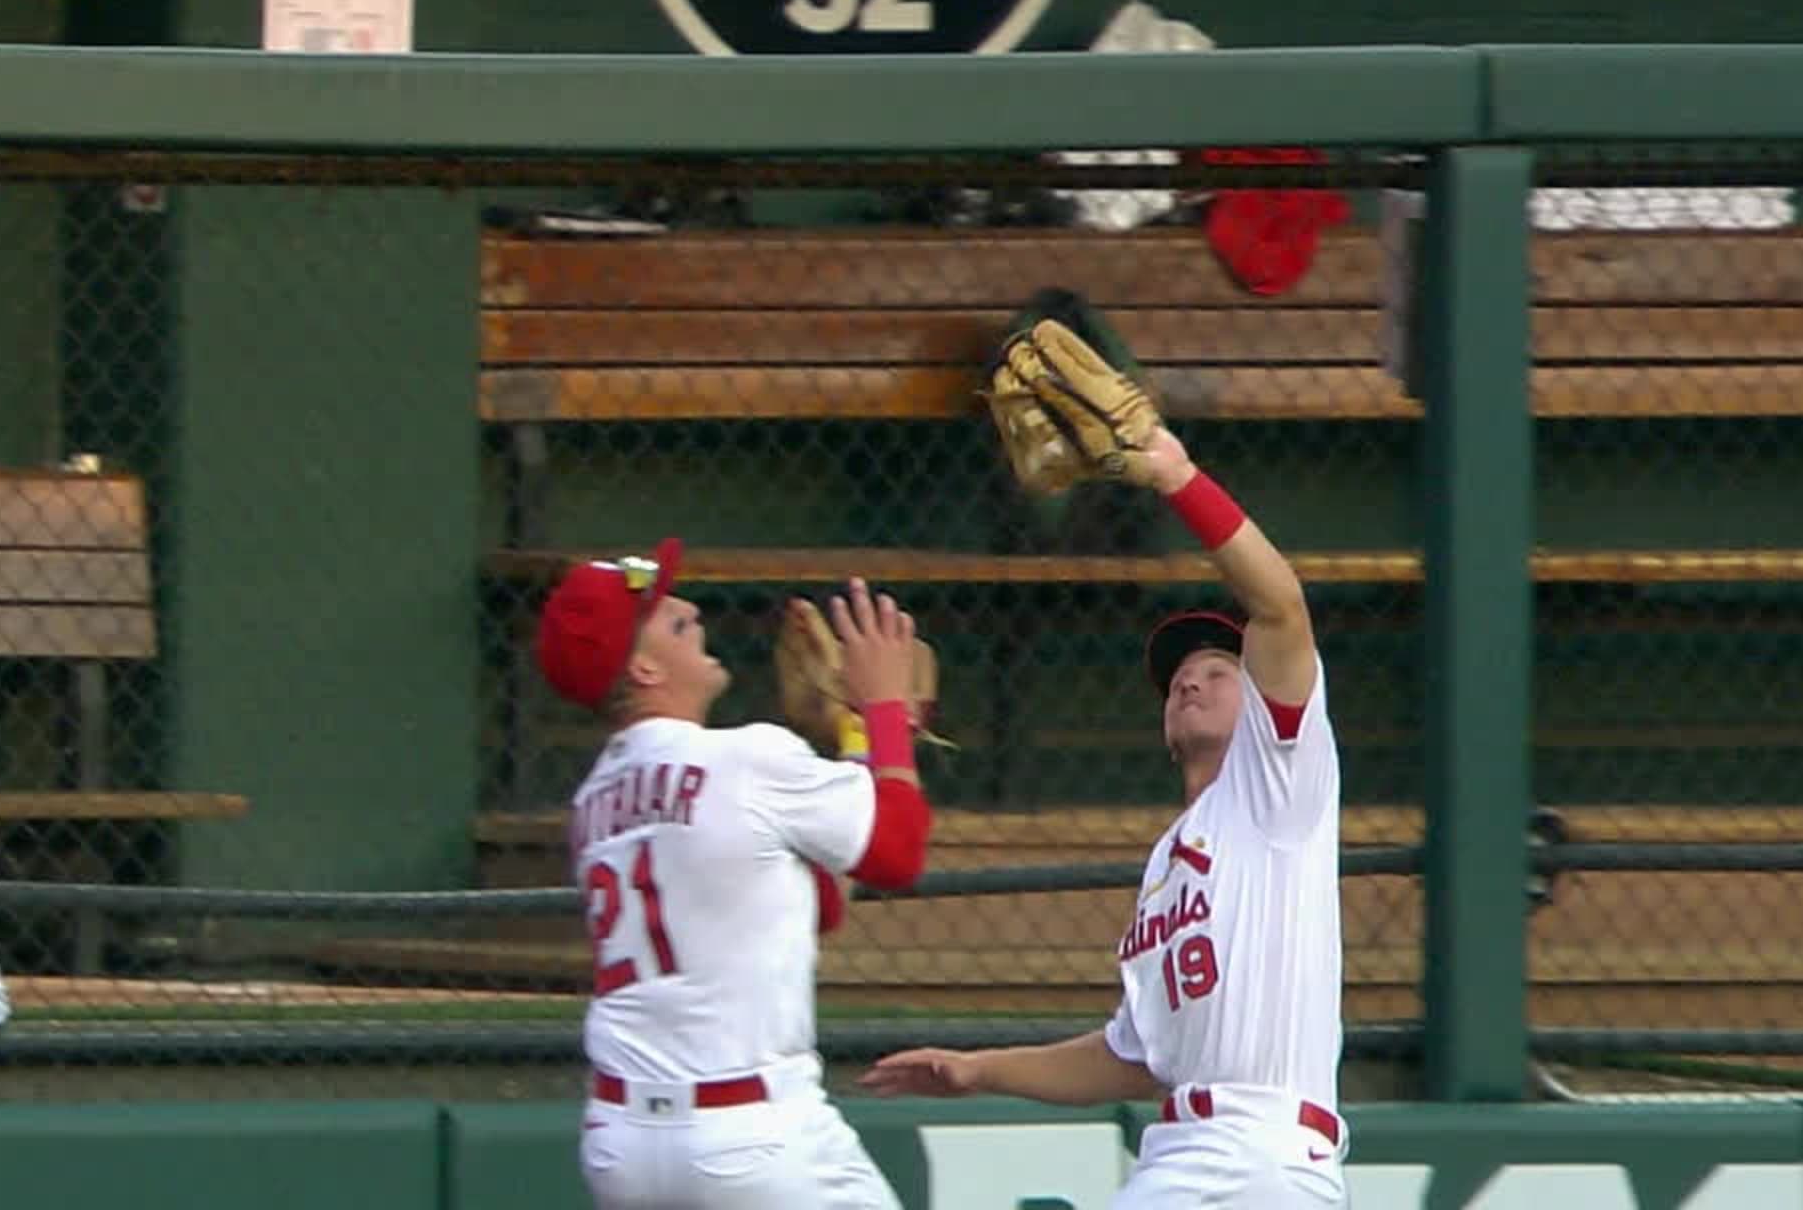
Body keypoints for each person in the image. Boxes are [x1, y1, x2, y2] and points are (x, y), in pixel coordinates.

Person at [861, 428, 1347, 1209]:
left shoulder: (1279, 784)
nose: (1191, 683)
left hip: (1257, 1151)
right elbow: (1134, 1058)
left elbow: (1280, 604)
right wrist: (980, 1071)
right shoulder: (1166, 865)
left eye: (1219, 672)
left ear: (1259, 701)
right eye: (1180, 679)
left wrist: (1178, 477)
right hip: (1189, 1154)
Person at [537, 538, 935, 1210]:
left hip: (622, 1143)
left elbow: (819, 903)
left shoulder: (593, 800)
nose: (689, 608)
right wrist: (886, 711)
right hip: (753, 1135)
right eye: (666, 614)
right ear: (642, 668)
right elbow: (897, 853)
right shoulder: (748, 758)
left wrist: (852, 741)